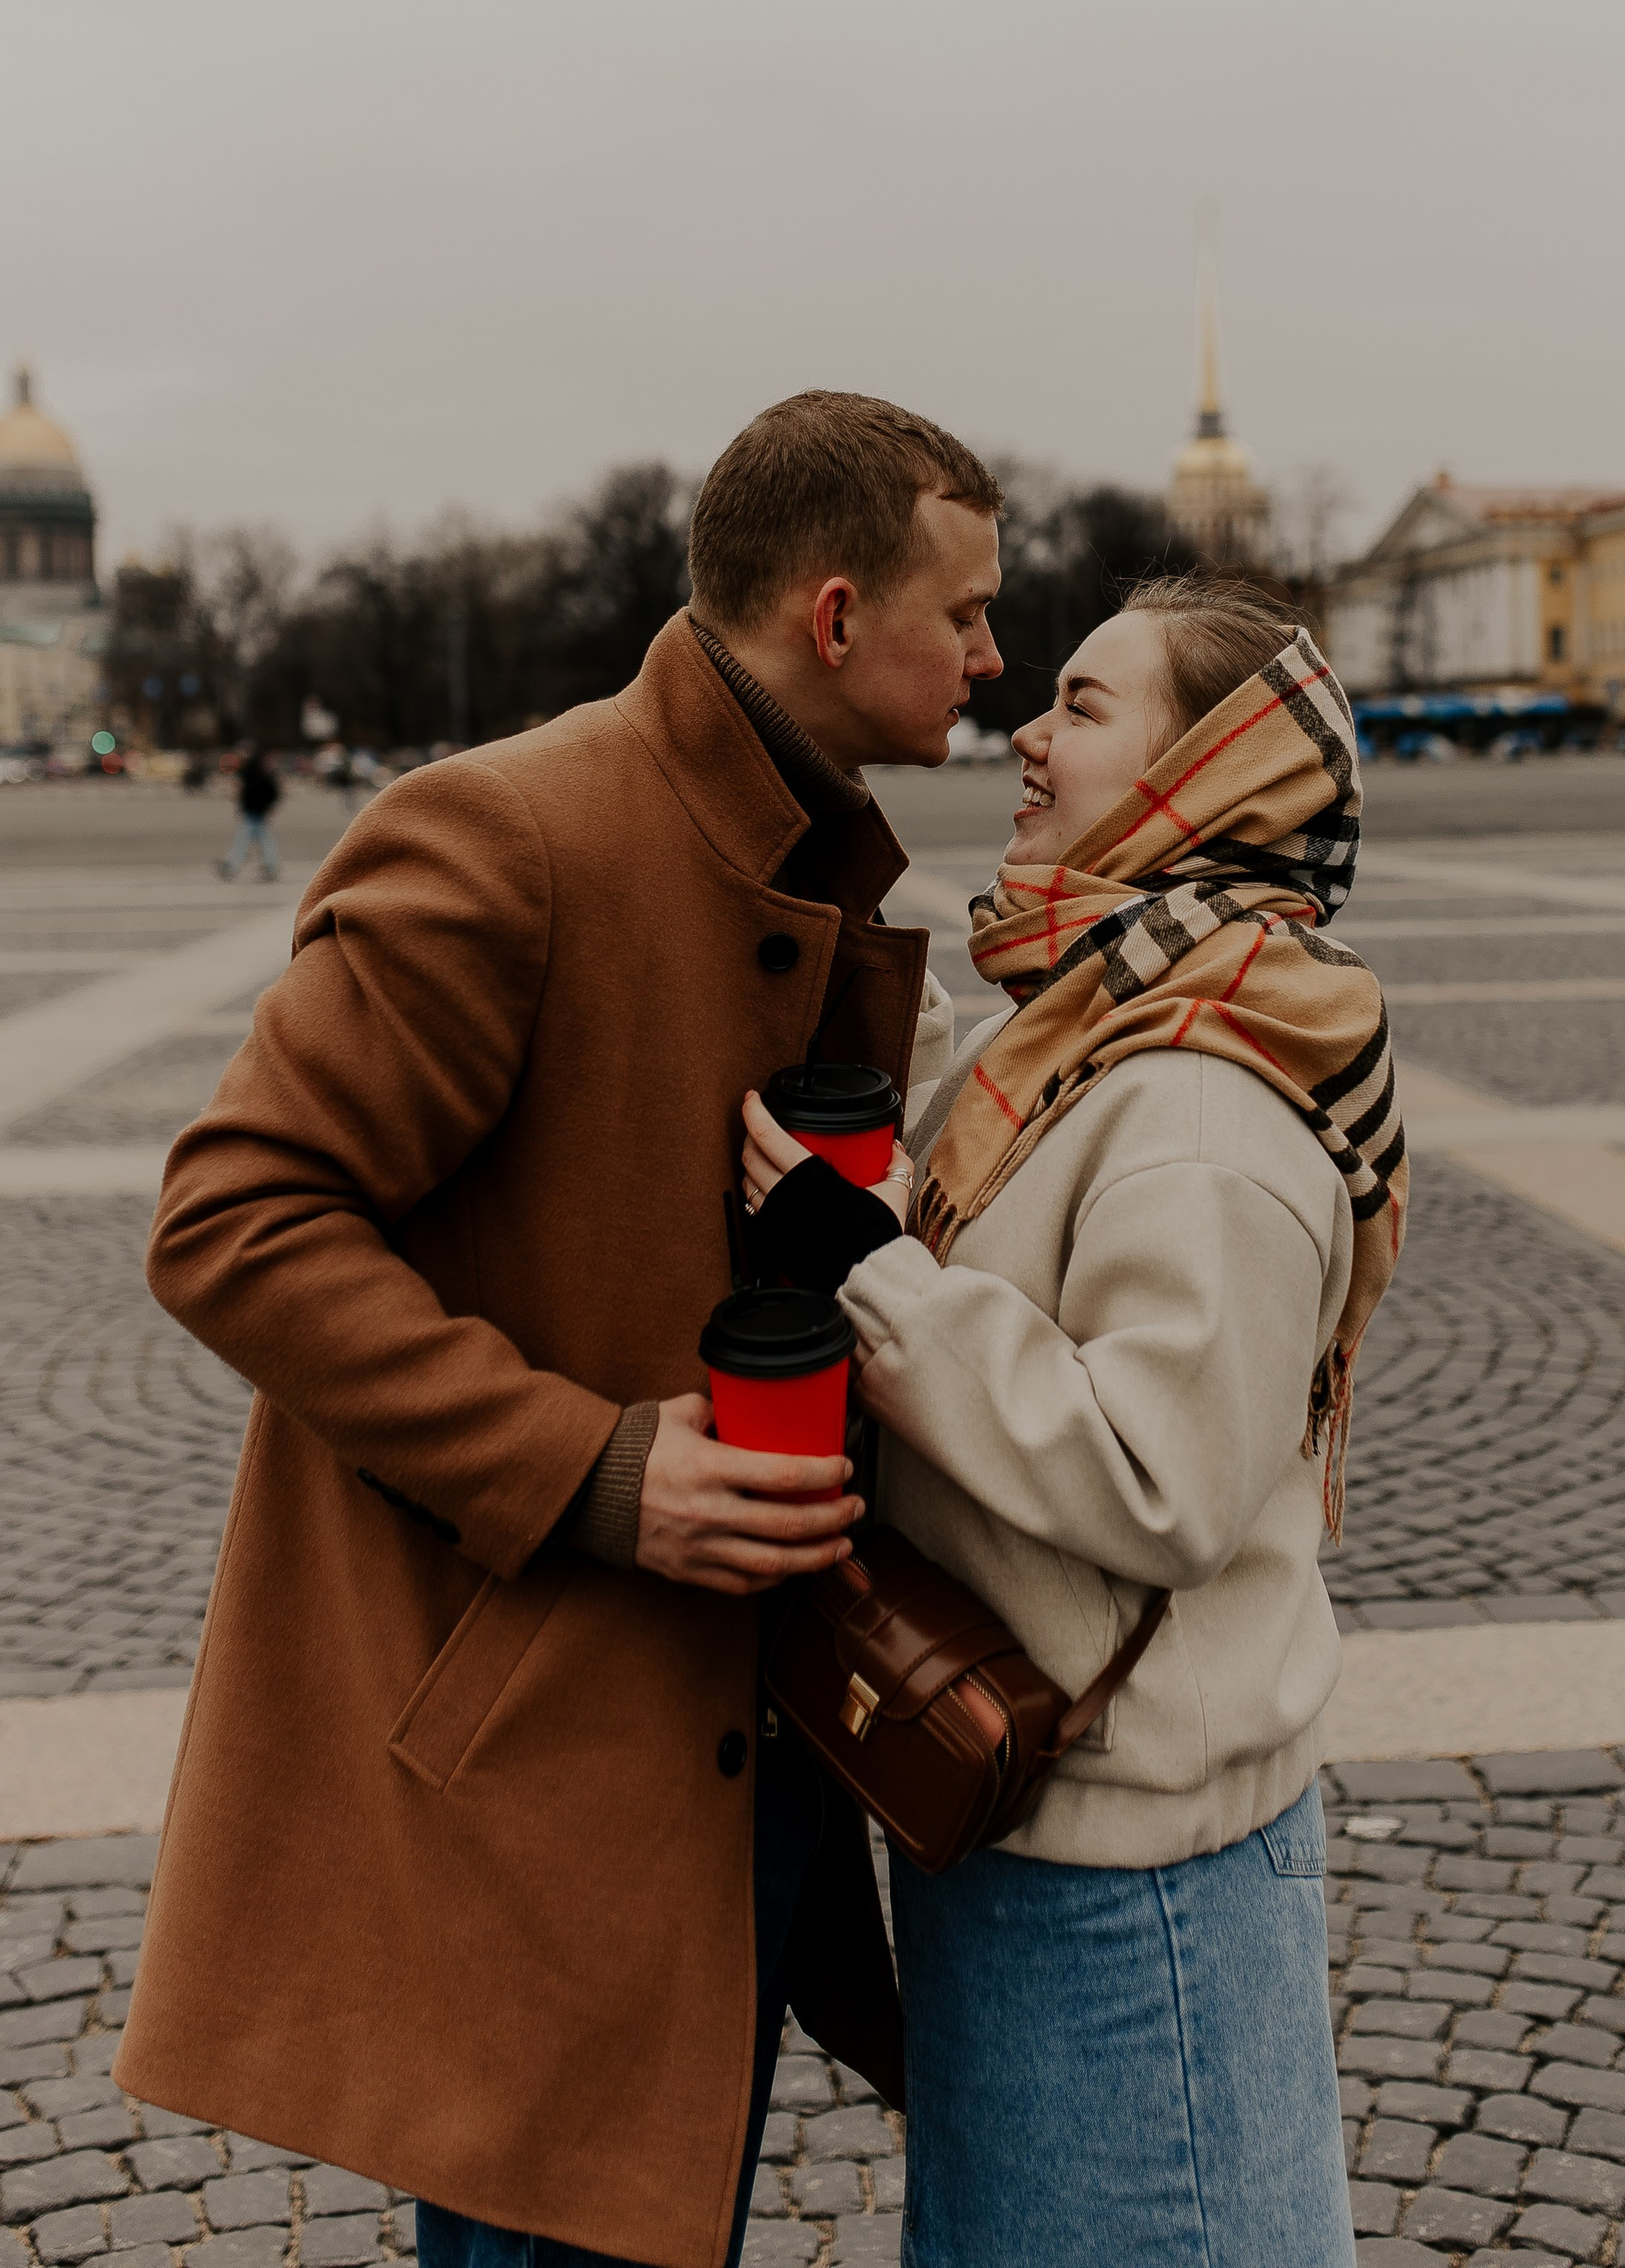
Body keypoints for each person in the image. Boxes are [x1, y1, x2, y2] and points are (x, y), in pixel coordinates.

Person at [119, 391, 1004, 2268]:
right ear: (834, 618)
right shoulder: (514, 830)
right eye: (970, 612)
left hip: (727, 1735)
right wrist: (596, 1468)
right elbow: (232, 1217)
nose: (997, 656)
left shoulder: (788, 848)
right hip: (553, 1753)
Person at [742, 573, 1409, 2268]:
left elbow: (1160, 1475)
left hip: (1138, 1882)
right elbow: (995, 1198)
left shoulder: (1201, 1088)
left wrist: (864, 1274)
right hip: (1040, 1824)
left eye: (1087, 708)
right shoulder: (1096, 1013)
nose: (1027, 733)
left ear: (1210, 773)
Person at [217, 743, 283, 879]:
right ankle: (271, 865)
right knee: (261, 840)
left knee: (245, 840)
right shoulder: (258, 773)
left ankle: (231, 865)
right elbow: (273, 793)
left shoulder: (252, 774)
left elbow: (253, 793)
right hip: (256, 812)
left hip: (254, 812)